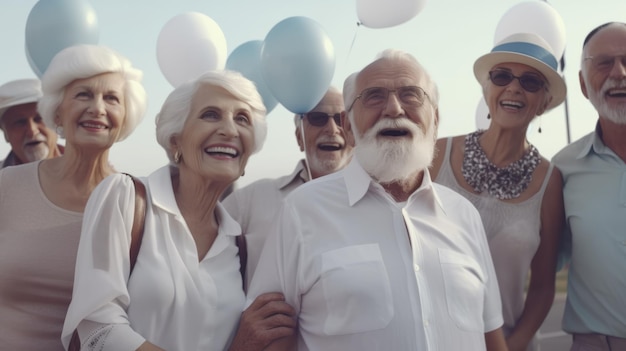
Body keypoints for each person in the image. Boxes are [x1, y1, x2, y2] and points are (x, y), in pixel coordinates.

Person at [247, 49, 507, 351]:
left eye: (411, 95)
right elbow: (268, 339)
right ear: (348, 126)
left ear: (434, 120)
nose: (394, 109)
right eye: (374, 96)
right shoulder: (301, 211)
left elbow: (491, 336)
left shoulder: (464, 215)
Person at [61, 70, 296, 351]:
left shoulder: (240, 246)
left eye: (242, 119)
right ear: (175, 140)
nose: (230, 130)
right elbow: (97, 328)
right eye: (210, 114)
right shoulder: (124, 197)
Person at [0, 44, 146, 350]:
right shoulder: (6, 186)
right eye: (83, 94)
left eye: (111, 98)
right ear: (57, 110)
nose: (98, 108)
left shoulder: (138, 202)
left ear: (125, 115)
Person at [429, 33, 566, 351]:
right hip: (431, 339)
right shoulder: (435, 154)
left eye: (531, 82)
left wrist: (512, 345)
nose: (514, 87)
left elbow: (544, 286)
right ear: (486, 88)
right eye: (502, 76)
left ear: (544, 102)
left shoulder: (551, 181)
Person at [222, 86, 352, 287]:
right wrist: (239, 317)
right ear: (299, 138)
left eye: (341, 120)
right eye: (318, 118)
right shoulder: (249, 200)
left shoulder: (381, 204)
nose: (332, 129)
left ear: (354, 135)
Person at [552, 22, 626, 351]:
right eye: (604, 62)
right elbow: (538, 258)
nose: (620, 72)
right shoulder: (562, 168)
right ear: (583, 84)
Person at [0, 78, 63, 168]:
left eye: (39, 119)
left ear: (57, 123)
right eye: (20, 122)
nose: (32, 131)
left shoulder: (87, 170)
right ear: (5, 134)